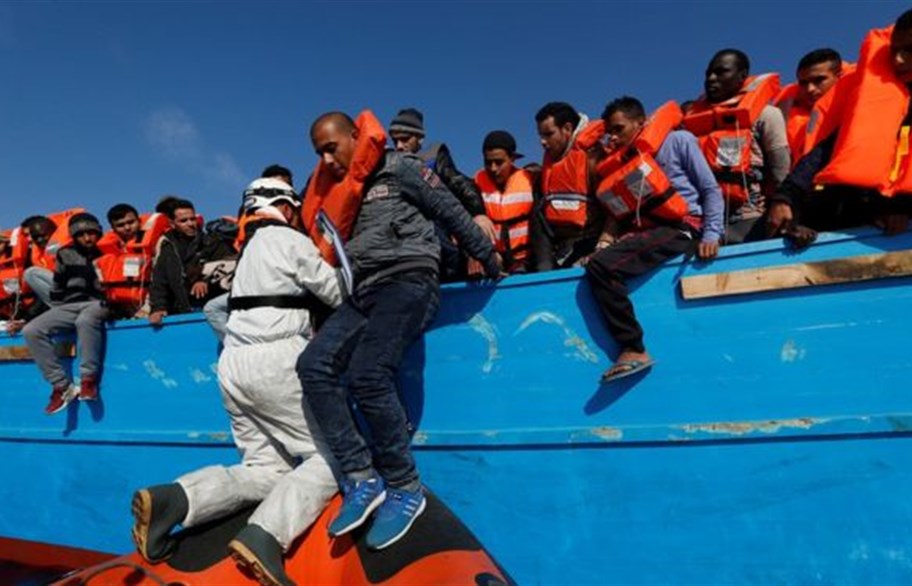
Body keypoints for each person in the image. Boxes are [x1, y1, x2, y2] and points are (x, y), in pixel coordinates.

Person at [297, 111, 500, 550]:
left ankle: (405, 486)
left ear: (355, 136)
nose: (326, 159)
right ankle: (360, 475)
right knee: (312, 365)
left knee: (368, 373)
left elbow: (451, 211)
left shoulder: (400, 167)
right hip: (364, 291)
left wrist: (488, 258)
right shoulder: (338, 191)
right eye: (318, 153)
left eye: (331, 148)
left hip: (409, 279)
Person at [131, 178, 342, 586]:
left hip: (233, 364)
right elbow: (336, 292)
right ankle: (266, 536)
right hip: (276, 359)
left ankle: (175, 499)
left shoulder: (249, 250)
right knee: (331, 459)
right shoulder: (288, 238)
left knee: (266, 468)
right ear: (285, 207)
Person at [587, 97, 723, 382]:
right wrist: (604, 244)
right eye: (609, 132)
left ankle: (633, 349)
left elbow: (710, 189)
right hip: (649, 232)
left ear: (641, 122)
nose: (614, 138)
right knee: (597, 260)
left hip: (683, 227)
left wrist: (712, 233)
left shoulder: (679, 141)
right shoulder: (624, 161)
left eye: (619, 129)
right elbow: (619, 215)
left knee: (602, 267)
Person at [767, 9, 912, 242]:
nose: (898, 60)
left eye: (909, 50)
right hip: (866, 214)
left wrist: (902, 206)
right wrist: (785, 197)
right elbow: (826, 150)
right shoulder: (880, 97)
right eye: (894, 50)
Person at [683, 49, 790, 243]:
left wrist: (784, 210)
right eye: (708, 74)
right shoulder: (690, 123)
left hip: (748, 219)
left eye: (721, 72)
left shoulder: (766, 115)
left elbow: (781, 171)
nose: (711, 78)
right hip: (700, 220)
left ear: (742, 76)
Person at [389, 107, 497, 280]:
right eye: (395, 141)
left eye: (405, 139)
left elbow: (460, 183)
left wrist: (478, 214)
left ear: (420, 138)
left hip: (440, 244)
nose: (399, 146)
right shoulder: (391, 166)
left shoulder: (433, 158)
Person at [21, 213, 108, 413]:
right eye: (81, 235)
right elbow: (57, 286)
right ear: (73, 236)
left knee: (85, 320)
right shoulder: (65, 253)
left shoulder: (108, 251)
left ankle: (88, 379)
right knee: (31, 330)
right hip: (70, 304)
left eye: (91, 233)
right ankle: (62, 386)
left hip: (98, 303)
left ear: (99, 233)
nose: (87, 238)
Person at [203, 165, 296, 342]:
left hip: (281, 283)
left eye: (285, 186)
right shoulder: (248, 214)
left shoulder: (297, 213)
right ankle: (238, 344)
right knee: (212, 308)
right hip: (251, 281)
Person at [533, 101, 606, 270]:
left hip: (590, 245)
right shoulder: (549, 164)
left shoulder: (593, 158)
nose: (542, 142)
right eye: (540, 135)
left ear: (567, 128)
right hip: (562, 249)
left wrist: (603, 245)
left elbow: (613, 212)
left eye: (548, 134)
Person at [148, 199, 235, 326]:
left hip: (212, 311)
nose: (190, 224)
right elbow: (159, 281)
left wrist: (205, 279)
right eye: (183, 221)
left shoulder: (212, 242)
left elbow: (230, 264)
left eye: (192, 219)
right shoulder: (167, 247)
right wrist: (158, 308)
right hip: (179, 312)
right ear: (172, 224)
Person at [472, 130, 535, 274]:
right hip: (492, 260)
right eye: (488, 162)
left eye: (499, 162)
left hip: (526, 261)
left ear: (512, 159)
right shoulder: (474, 185)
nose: (493, 168)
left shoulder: (531, 180)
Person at [776, 49, 850, 165]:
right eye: (803, 83)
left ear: (839, 77)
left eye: (819, 80)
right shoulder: (784, 112)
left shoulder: (856, 106)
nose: (810, 89)